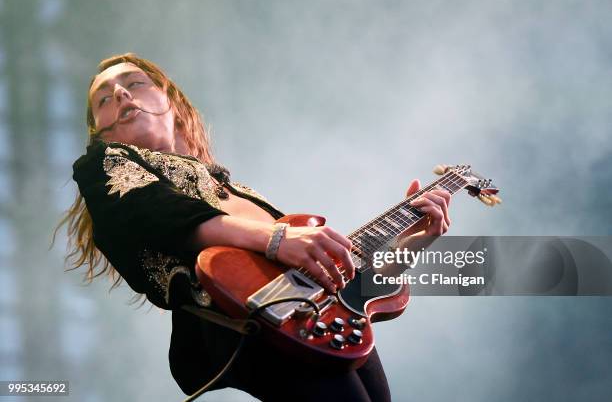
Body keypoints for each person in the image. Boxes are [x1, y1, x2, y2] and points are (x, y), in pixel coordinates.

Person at [59, 53, 452, 401]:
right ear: (100, 131)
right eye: (104, 99)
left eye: (134, 84)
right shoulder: (101, 164)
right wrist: (277, 238)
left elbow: (340, 281)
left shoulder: (237, 189)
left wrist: (410, 243)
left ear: (170, 100)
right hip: (248, 321)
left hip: (323, 323)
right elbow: (154, 213)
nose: (121, 96)